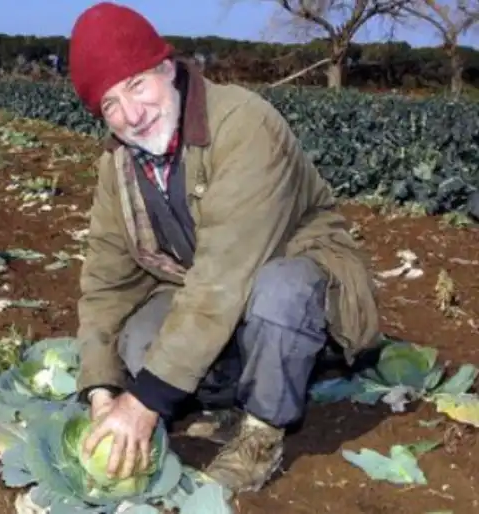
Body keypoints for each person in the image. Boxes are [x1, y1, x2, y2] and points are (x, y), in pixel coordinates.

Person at [68, 2, 381, 493]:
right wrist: (102, 391)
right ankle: (229, 402)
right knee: (136, 341)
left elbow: (223, 274)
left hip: (299, 281)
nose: (131, 114)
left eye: (136, 85)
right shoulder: (120, 167)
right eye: (110, 104)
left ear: (166, 69)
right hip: (214, 293)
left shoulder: (243, 125)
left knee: (282, 292)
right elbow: (106, 283)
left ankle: (262, 430)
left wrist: (145, 401)